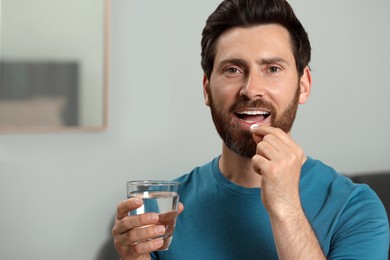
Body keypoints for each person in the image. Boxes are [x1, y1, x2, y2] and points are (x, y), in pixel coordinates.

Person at [112, 0, 390, 259]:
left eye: (272, 69)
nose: (251, 89)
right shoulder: (165, 212)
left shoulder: (356, 209)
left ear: (303, 85)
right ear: (207, 89)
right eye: (232, 69)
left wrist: (285, 207)